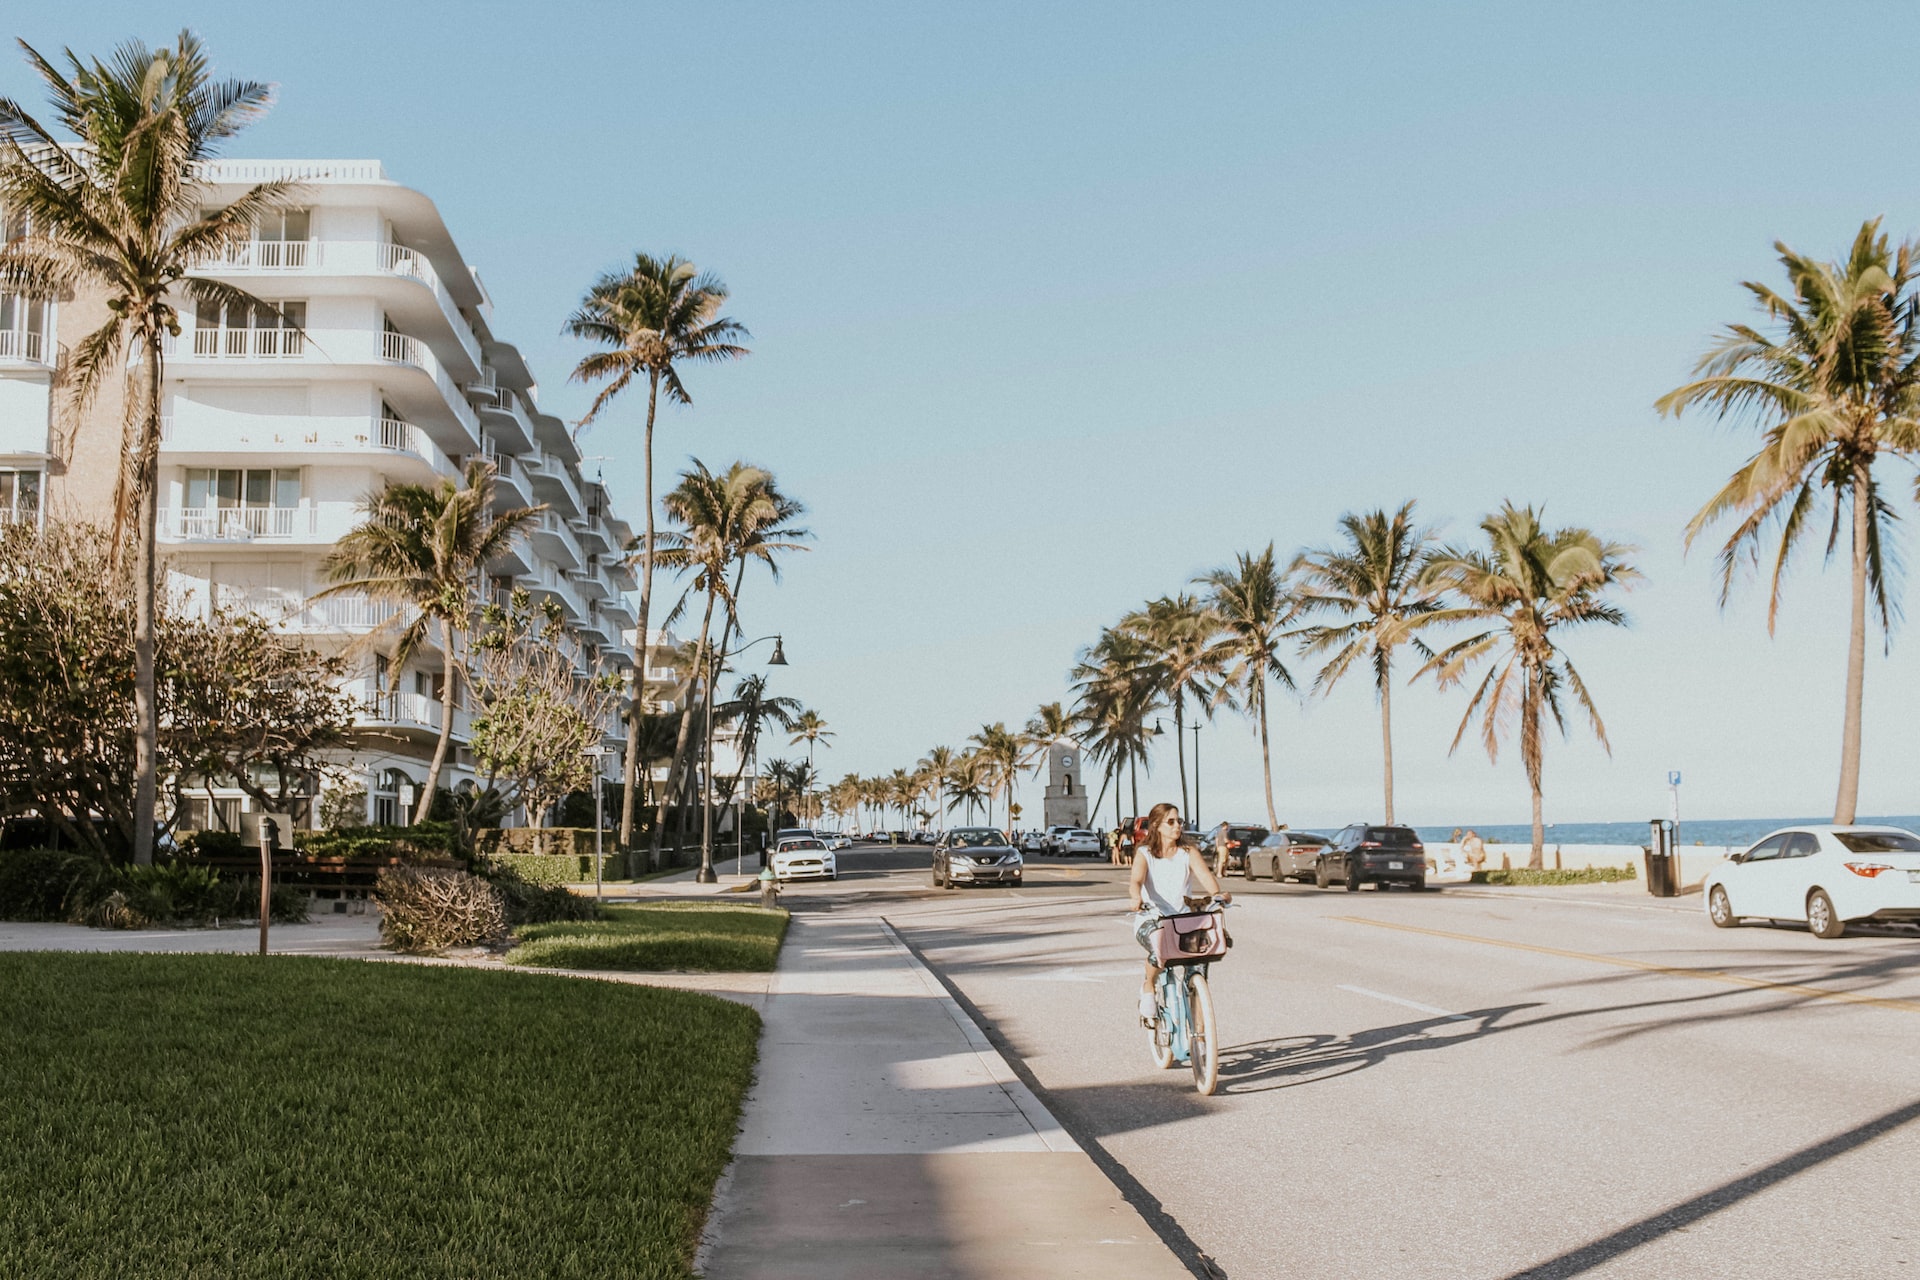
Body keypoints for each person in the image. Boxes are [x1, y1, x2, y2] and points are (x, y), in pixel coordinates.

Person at [1128, 801, 1228, 1024]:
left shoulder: (1187, 852)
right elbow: (1136, 880)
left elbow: (1207, 879)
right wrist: (1136, 898)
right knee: (1159, 949)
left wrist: (1218, 894)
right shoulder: (1145, 853)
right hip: (1152, 918)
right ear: (1156, 825)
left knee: (1200, 966)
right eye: (1171, 822)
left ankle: (1201, 1033)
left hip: (1184, 922)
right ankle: (1148, 987)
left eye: (1179, 821)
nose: (1177, 826)